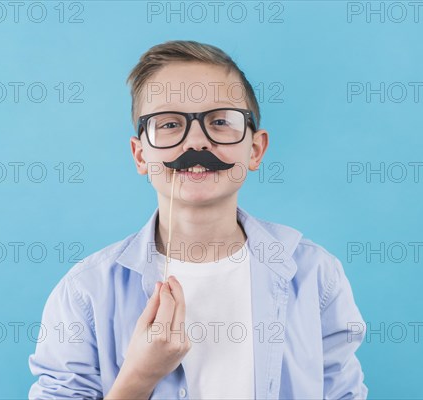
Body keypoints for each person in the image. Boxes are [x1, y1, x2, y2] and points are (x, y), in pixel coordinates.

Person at [28, 39, 368, 399]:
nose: (196, 142)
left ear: (255, 149)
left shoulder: (316, 276)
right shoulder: (85, 293)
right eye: (170, 124)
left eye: (220, 121)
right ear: (140, 155)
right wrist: (140, 376)